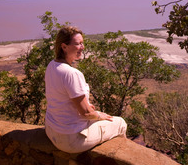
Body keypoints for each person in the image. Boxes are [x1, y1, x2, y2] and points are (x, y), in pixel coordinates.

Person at [45, 25, 127, 153]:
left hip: (51, 130)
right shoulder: (72, 74)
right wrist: (99, 115)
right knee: (120, 123)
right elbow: (86, 113)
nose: (82, 47)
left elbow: (63, 98)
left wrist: (86, 105)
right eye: (78, 44)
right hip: (71, 139)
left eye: (82, 43)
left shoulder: (52, 65)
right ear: (64, 46)